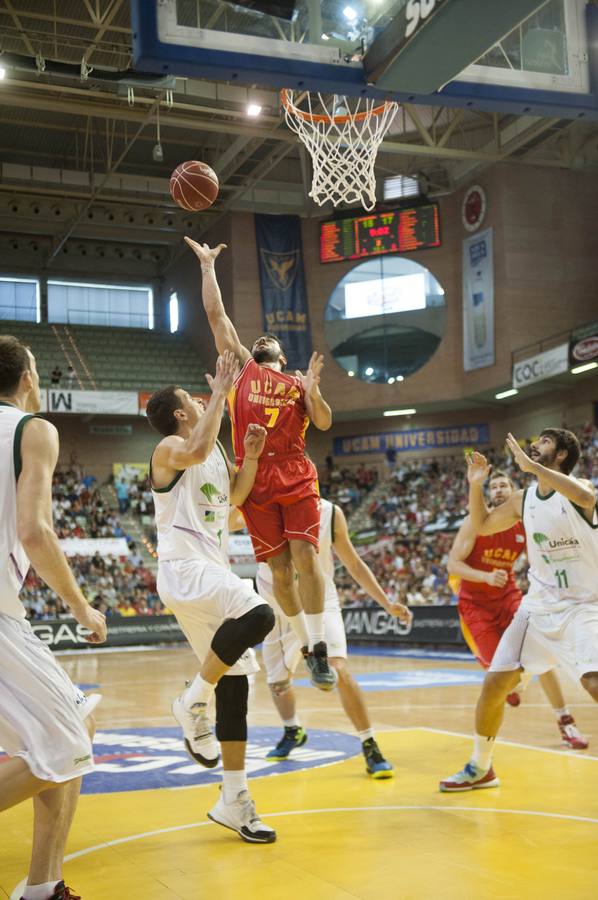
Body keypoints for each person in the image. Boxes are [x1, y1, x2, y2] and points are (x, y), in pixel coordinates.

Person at [184, 236, 336, 690]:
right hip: (256, 474)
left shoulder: (296, 382)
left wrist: (314, 393)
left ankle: (319, 648)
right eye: (259, 339)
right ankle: (307, 643)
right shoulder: (242, 372)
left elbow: (325, 423)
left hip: (294, 469)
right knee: (279, 571)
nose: (263, 339)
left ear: (283, 356)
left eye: (271, 341)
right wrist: (208, 267)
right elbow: (217, 316)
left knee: (307, 556)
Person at [146, 350, 277, 844]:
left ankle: (233, 800)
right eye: (193, 399)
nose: (202, 398)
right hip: (183, 569)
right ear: (181, 414)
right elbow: (196, 451)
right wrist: (222, 390)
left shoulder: (216, 453)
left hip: (209, 571)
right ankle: (191, 699)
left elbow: (235, 502)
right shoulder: (169, 449)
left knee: (237, 686)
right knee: (259, 611)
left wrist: (255, 456)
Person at [0, 335, 107, 900]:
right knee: (70, 742)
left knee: (73, 720)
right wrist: (81, 605)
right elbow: (34, 531)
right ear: (26, 378)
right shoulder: (31, 428)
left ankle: (43, 887)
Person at [440, 429, 598, 792]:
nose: (534, 445)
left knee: (593, 684)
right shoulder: (522, 500)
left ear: (560, 455)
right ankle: (481, 767)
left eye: (543, 442)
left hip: (583, 609)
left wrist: (529, 467)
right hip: (537, 610)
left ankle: (563, 716)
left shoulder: (580, 489)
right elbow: (480, 525)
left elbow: (585, 496)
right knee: (495, 685)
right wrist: (475, 485)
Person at [251, 498, 412, 777]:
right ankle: (293, 729)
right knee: (278, 683)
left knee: (337, 667)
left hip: (320, 602)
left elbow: (353, 562)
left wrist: (386, 603)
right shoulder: (261, 503)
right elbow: (228, 520)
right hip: (278, 610)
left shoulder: (329, 512)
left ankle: (369, 743)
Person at [448, 468, 587, 748]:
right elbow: (453, 565)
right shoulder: (474, 522)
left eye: (504, 486)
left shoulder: (525, 521)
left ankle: (566, 721)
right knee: (503, 679)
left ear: (514, 492)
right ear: (489, 494)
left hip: (510, 596)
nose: (499, 490)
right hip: (476, 605)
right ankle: (510, 683)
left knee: (544, 654)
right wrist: (485, 576)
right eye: (494, 486)